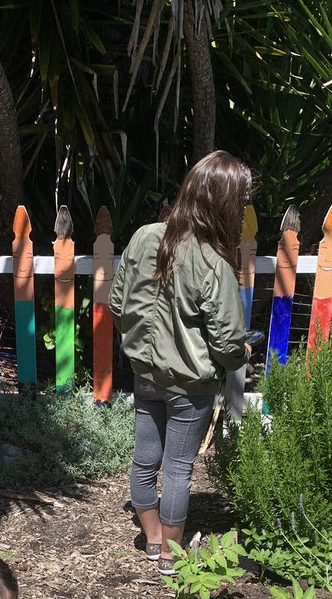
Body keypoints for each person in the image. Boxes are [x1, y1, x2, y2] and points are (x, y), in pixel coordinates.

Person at [109, 151, 254, 575]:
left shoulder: (143, 237)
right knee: (177, 468)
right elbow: (228, 344)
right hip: (190, 388)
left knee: (144, 459)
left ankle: (152, 539)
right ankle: (171, 556)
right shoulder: (213, 262)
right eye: (242, 203)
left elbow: (118, 303)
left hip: (145, 374)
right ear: (225, 204)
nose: (244, 211)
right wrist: (240, 353)